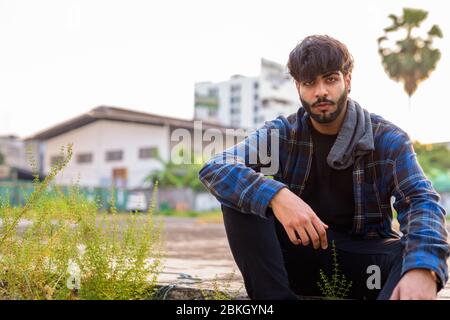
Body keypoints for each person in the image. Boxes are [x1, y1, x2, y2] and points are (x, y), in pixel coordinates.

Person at [198, 35, 449, 300]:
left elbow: (421, 200)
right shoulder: (282, 134)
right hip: (292, 265)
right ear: (298, 86)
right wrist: (276, 196)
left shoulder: (387, 139)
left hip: (363, 269)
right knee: (240, 197)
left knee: (407, 254)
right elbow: (216, 167)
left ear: (347, 80)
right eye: (309, 82)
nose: (320, 92)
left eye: (330, 79)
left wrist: (423, 269)